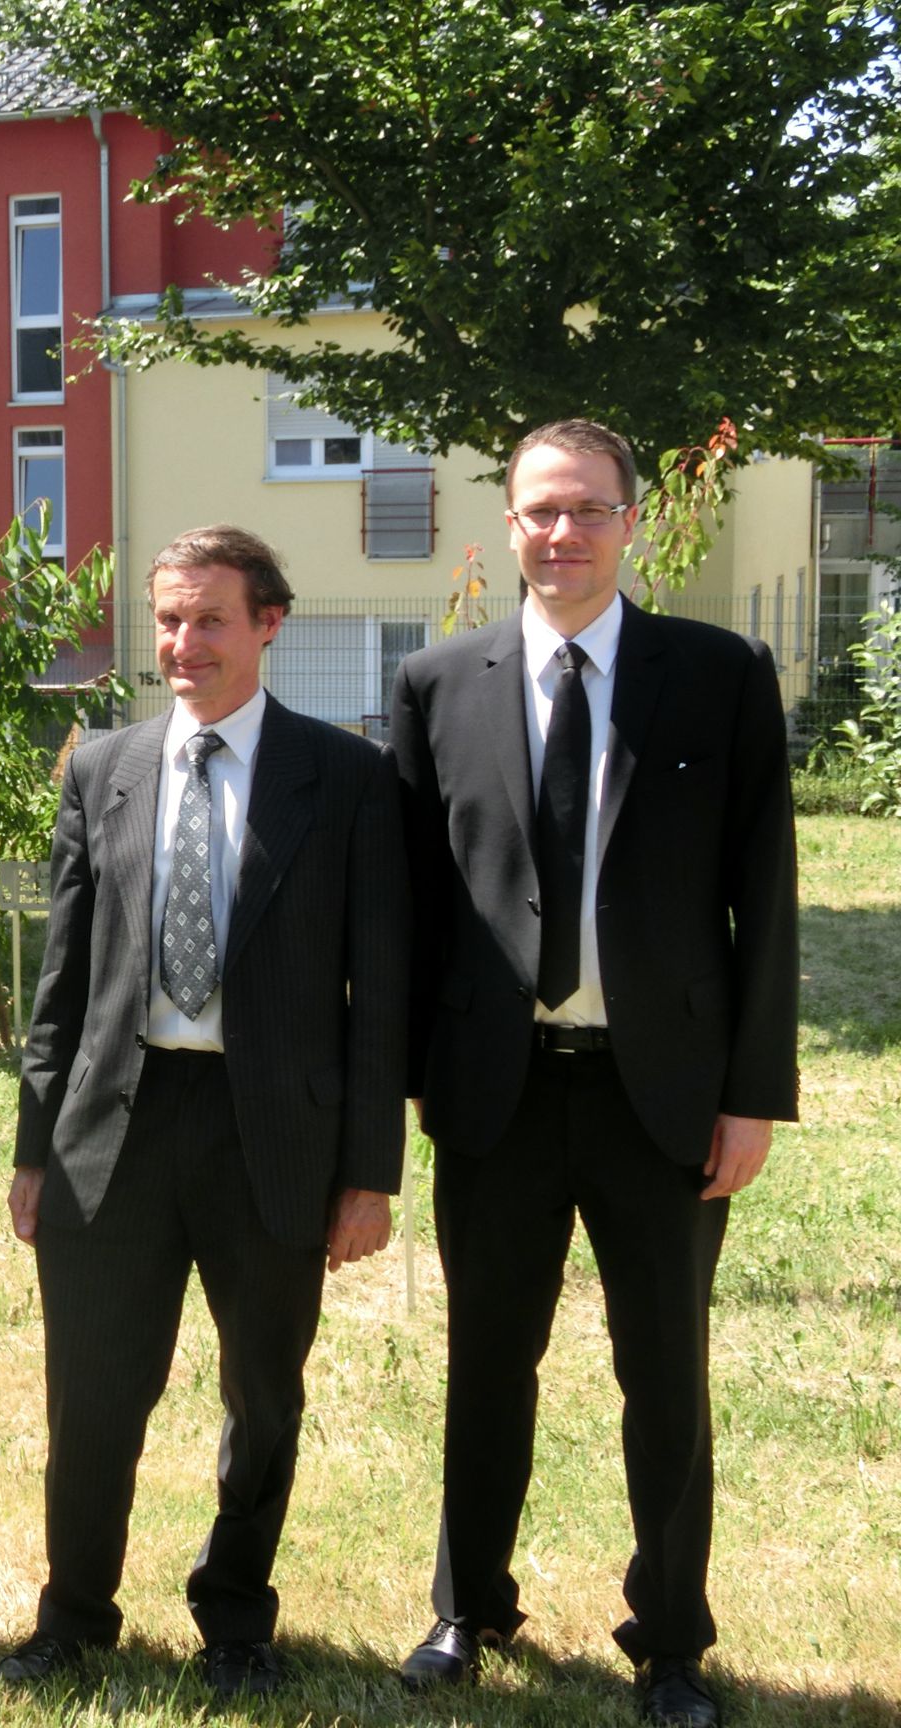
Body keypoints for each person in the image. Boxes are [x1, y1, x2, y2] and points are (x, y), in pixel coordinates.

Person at [389, 420, 798, 1727]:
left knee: (665, 1376)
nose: (560, 533)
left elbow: (766, 904)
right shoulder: (437, 685)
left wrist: (752, 1096)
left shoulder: (719, 676)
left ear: (632, 522)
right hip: (496, 1097)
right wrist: (396, 1099)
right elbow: (406, 915)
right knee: (485, 1362)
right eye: (537, 511)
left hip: (661, 1097)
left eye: (586, 510)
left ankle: (670, 1638)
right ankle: (469, 1605)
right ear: (506, 525)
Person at [0, 525, 407, 1698]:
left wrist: (367, 1173)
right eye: (168, 620)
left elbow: (377, 994)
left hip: (270, 1133)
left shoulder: (345, 779)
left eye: (209, 619)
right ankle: (74, 1615)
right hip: (111, 1130)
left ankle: (236, 1620)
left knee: (263, 1394)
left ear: (270, 623)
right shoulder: (103, 767)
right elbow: (61, 983)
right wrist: (35, 1150)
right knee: (90, 1392)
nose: (182, 643)